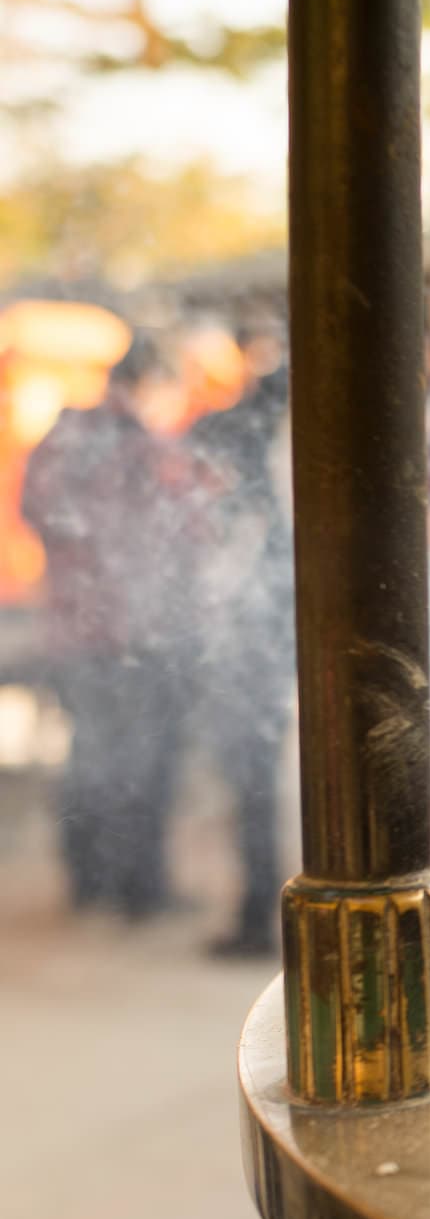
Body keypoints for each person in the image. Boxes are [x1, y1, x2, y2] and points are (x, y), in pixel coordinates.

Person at [22, 331, 191, 918]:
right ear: (149, 384)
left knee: (89, 756)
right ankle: (138, 888)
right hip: (134, 633)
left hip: (71, 631)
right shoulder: (141, 447)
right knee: (141, 761)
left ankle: (88, 880)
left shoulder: (62, 438)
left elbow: (32, 514)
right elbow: (172, 536)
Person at [183, 362, 294, 956]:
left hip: (257, 645)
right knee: (254, 781)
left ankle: (259, 914)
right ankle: (259, 911)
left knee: (254, 781)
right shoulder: (267, 459)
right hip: (260, 643)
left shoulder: (255, 463)